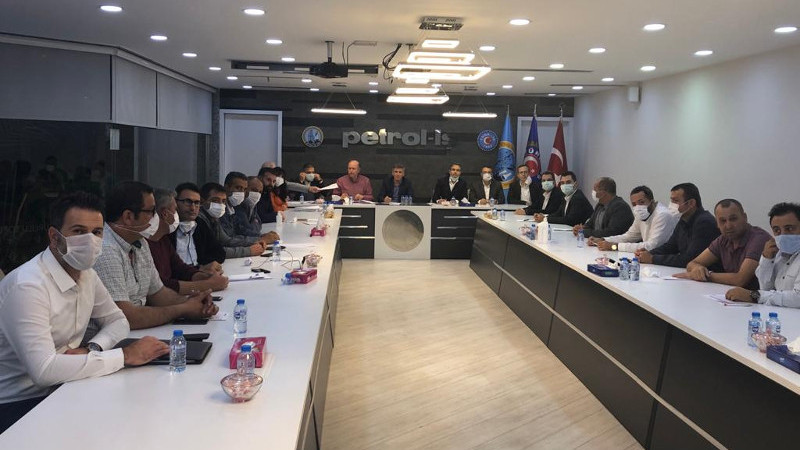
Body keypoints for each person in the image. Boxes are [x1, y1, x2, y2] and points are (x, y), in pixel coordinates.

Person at [0, 192, 168, 432]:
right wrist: (124, 356)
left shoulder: (87, 275)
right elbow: (44, 370)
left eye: (97, 232)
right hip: (19, 405)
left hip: (67, 386)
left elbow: (118, 320)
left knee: (143, 412)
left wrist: (93, 348)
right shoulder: (27, 286)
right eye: (78, 231)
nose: (90, 240)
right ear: (54, 237)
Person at [94, 181, 218, 330]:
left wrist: (194, 301)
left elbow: (158, 293)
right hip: (115, 338)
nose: (156, 217)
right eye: (151, 211)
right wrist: (183, 309)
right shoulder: (106, 250)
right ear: (128, 216)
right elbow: (125, 317)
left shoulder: (140, 242)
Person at [675, 199, 771, 289]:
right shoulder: (723, 239)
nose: (728, 226)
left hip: (760, 298)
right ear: (717, 223)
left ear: (744, 217)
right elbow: (692, 263)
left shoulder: (758, 238)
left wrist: (706, 275)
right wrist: (698, 269)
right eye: (722, 221)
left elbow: (740, 280)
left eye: (733, 219)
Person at [147, 189, 229, 295]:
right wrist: (208, 285)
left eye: (197, 203)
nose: (193, 208)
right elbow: (158, 286)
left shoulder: (162, 239)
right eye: (175, 210)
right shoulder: (146, 243)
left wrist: (202, 276)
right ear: (165, 214)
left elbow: (179, 267)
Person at [725, 202, 800, 307]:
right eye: (777, 230)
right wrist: (767, 259)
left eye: (789, 229)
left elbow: (797, 298)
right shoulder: (778, 253)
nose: (782, 234)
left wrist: (754, 296)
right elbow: (766, 288)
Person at [635, 183, 720, 267]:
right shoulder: (683, 219)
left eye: (675, 201)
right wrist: (648, 253)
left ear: (691, 203)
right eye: (671, 201)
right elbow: (670, 247)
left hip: (708, 273)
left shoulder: (704, 222)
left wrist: (652, 258)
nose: (671, 205)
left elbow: (690, 259)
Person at [591, 186, 679, 252]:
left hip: (663, 260)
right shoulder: (640, 213)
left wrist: (615, 246)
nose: (638, 207)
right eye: (634, 204)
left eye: (641, 202)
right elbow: (629, 236)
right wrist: (603, 240)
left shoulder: (663, 215)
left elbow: (652, 246)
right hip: (648, 257)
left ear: (652, 202)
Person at [197, 182, 267, 258]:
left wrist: (254, 241)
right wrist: (248, 251)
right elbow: (213, 251)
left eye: (223, 201)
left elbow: (227, 241)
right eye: (215, 200)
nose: (220, 205)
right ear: (202, 201)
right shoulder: (199, 220)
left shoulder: (213, 218)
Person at [172, 182, 226, 267]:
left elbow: (220, 253)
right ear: (175, 202)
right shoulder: (168, 228)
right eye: (188, 202)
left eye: (197, 203)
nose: (193, 208)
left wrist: (204, 267)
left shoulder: (199, 224)